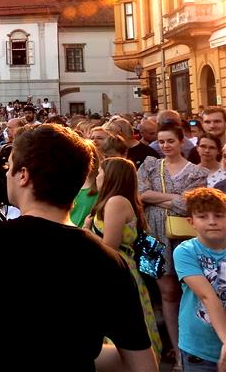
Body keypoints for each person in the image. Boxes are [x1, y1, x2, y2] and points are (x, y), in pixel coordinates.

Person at [0, 128, 157, 371]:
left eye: (9, 167)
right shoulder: (110, 262)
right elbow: (143, 365)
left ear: (23, 175)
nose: (6, 175)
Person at [139, 123, 207, 369]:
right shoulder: (150, 165)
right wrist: (175, 199)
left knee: (192, 291)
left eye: (170, 141)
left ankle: (194, 349)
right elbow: (141, 195)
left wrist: (160, 199)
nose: (165, 146)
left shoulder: (196, 171)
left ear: (181, 142)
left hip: (186, 236)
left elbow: (192, 204)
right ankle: (177, 352)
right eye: (162, 142)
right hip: (151, 237)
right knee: (165, 294)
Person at [88, 157, 162, 359]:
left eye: (101, 173)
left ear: (111, 176)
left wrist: (86, 232)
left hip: (116, 269)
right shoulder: (116, 201)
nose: (98, 177)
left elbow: (109, 244)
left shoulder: (116, 202)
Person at [174, 187, 226, 371]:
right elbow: (207, 296)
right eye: (203, 216)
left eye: (219, 215)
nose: (212, 222)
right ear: (191, 222)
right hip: (198, 348)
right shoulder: (185, 251)